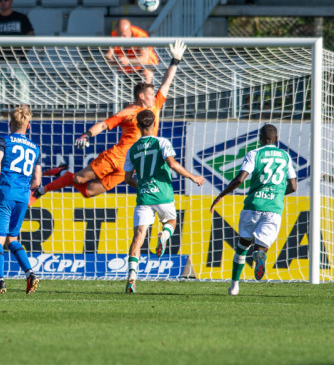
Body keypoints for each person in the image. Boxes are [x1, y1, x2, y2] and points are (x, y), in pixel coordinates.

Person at [31, 39, 186, 205]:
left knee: (89, 192)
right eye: (150, 93)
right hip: (116, 156)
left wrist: (175, 60)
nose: (154, 95)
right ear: (141, 96)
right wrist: (87, 135)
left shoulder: (155, 105)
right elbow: (104, 125)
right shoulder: (128, 112)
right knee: (80, 178)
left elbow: (166, 83)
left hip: (129, 165)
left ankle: (62, 173)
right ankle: (41, 190)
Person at [123, 109, 205, 294]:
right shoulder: (161, 142)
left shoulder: (132, 149)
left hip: (144, 197)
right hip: (163, 195)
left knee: (138, 237)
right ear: (154, 124)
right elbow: (172, 164)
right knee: (171, 222)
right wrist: (192, 177)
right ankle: (164, 236)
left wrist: (143, 186)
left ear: (137, 125)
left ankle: (132, 277)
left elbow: (128, 179)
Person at [210, 124, 297, 296]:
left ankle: (234, 286)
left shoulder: (254, 154)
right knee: (261, 246)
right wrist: (278, 194)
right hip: (274, 209)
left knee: (242, 245)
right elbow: (293, 186)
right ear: (276, 139)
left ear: (259, 138)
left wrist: (222, 194)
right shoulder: (285, 156)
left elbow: (240, 179)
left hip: (253, 206)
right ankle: (259, 256)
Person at [0, 106, 41, 295]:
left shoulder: (3, 141)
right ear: (28, 126)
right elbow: (37, 181)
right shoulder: (35, 148)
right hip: (22, 197)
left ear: (10, 123)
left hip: (5, 193)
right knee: (12, 239)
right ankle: (30, 273)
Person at [0, 0, 34, 115]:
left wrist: (20, 52)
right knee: (1, 95)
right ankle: (2, 119)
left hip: (19, 62)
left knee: (23, 94)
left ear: (11, 0)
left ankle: (24, 118)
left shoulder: (21, 18)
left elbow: (31, 37)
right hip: (0, 63)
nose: (3, 2)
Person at [105, 18, 159, 84]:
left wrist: (128, 61)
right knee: (130, 91)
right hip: (128, 70)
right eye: (118, 35)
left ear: (130, 32)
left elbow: (143, 59)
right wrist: (117, 62)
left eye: (124, 36)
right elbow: (108, 56)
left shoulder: (141, 37)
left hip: (145, 66)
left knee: (146, 75)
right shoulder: (114, 35)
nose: (121, 39)